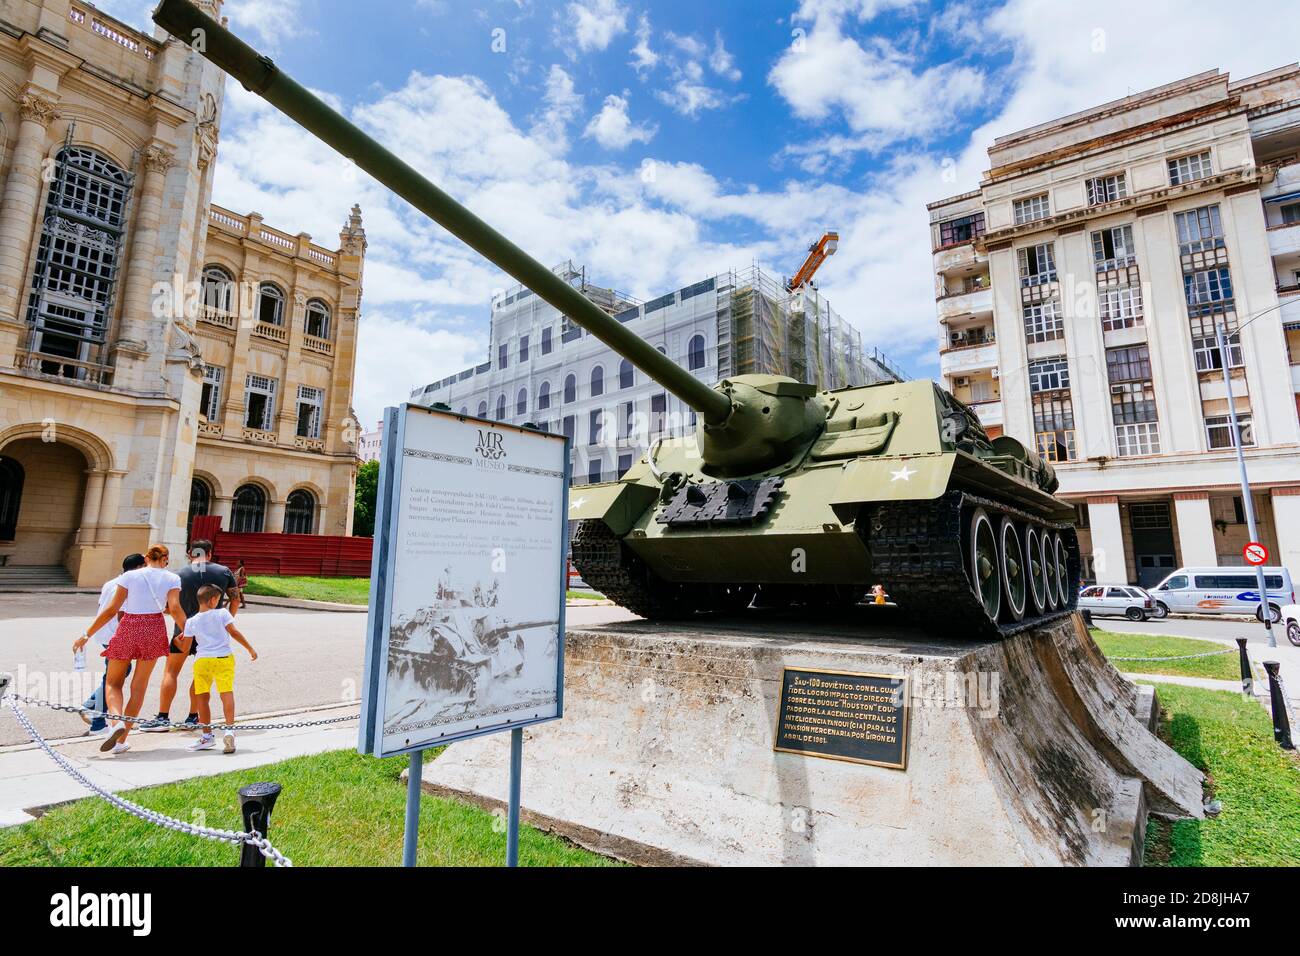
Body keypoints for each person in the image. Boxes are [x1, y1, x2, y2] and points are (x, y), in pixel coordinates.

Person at [75, 544, 184, 755]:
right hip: (154, 627)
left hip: (130, 626)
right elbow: (175, 609)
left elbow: (111, 610)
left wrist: (86, 635)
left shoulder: (129, 577)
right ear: (166, 560)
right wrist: (187, 632)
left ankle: (115, 722)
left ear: (146, 557)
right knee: (139, 687)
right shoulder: (172, 578)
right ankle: (121, 741)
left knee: (113, 683)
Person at [144, 539, 240, 733]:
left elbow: (168, 607)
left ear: (190, 554)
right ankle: (192, 716)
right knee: (201, 675)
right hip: (212, 634)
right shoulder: (224, 572)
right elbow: (235, 599)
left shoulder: (179, 574)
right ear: (210, 554)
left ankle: (163, 717)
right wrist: (225, 620)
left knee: (171, 672)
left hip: (183, 629)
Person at [184, 583, 257, 754]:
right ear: (213, 599)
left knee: (201, 697)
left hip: (202, 661)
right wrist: (250, 648)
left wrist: (181, 639)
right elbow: (234, 632)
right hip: (223, 658)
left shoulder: (191, 621)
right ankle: (229, 730)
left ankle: (207, 736)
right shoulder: (222, 613)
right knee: (226, 692)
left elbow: (186, 645)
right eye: (218, 599)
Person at [77, 553, 146, 735]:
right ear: (139, 568)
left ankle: (90, 705)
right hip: (116, 636)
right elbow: (121, 615)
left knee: (114, 676)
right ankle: (98, 722)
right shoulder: (130, 585)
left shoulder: (111, 582)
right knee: (113, 679)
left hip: (105, 634)